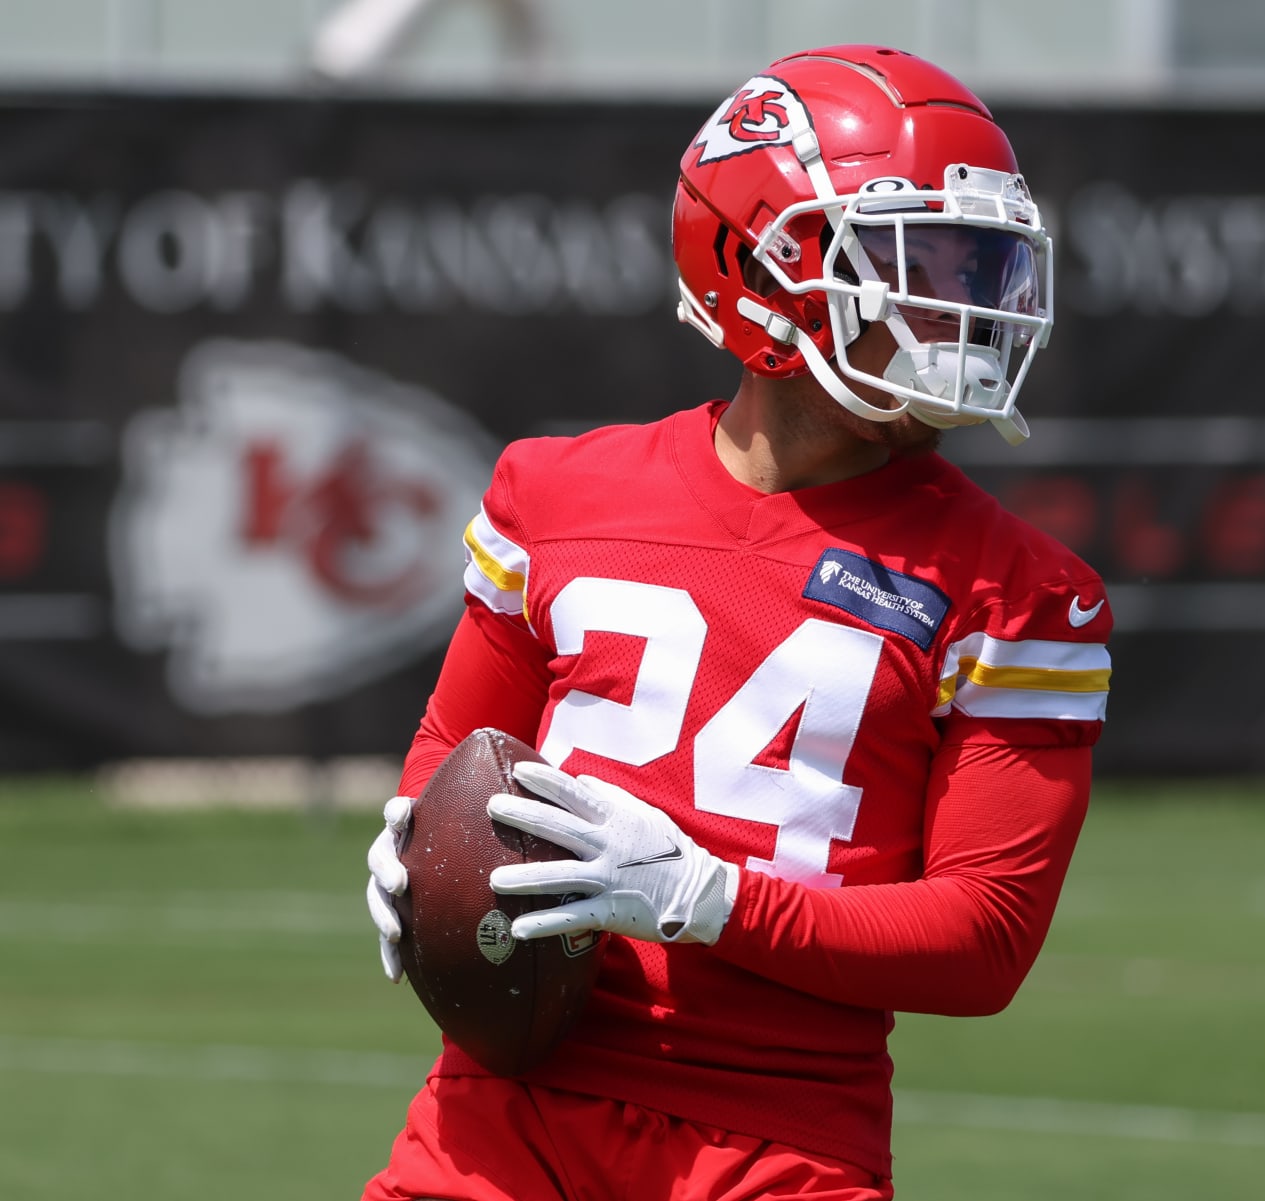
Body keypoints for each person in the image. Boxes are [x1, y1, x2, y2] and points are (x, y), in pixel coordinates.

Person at [362, 43, 1112, 1201]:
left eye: (976, 266)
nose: (960, 311)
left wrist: (709, 899)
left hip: (776, 1144)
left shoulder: (1018, 589)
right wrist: (422, 844)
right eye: (914, 262)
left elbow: (984, 940)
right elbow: (455, 752)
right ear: (760, 267)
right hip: (499, 1116)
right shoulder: (553, 493)